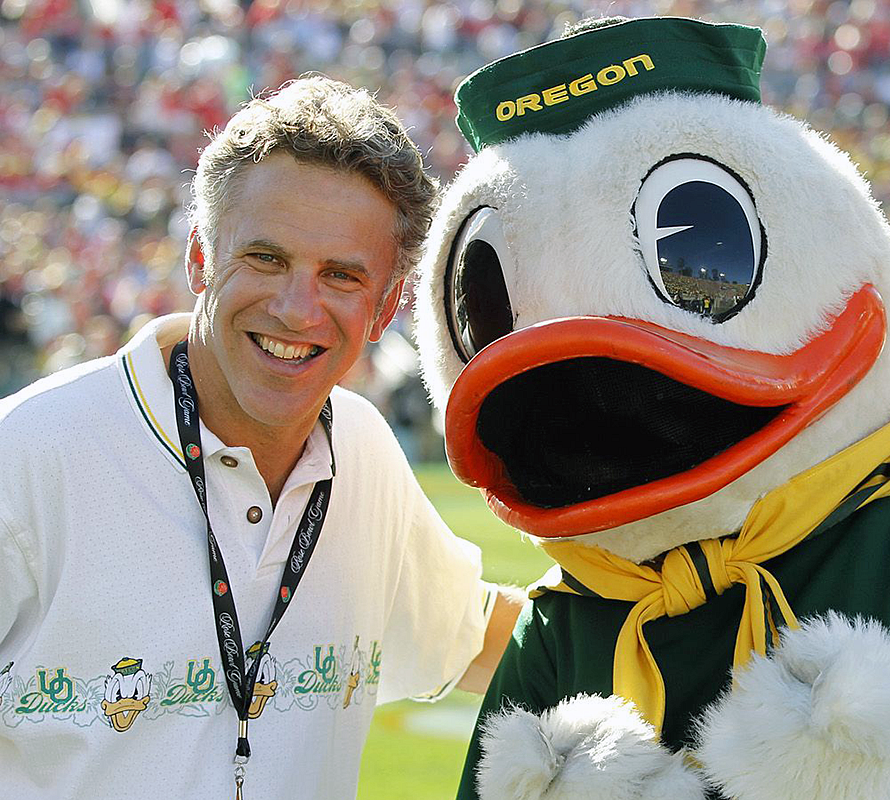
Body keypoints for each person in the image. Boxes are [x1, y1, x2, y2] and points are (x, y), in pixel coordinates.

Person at [0, 75, 522, 800]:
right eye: (267, 258)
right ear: (200, 260)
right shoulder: (26, 458)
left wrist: (701, 615)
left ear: (383, 310)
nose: (295, 307)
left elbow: (482, 639)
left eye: (341, 275)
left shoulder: (363, 450)